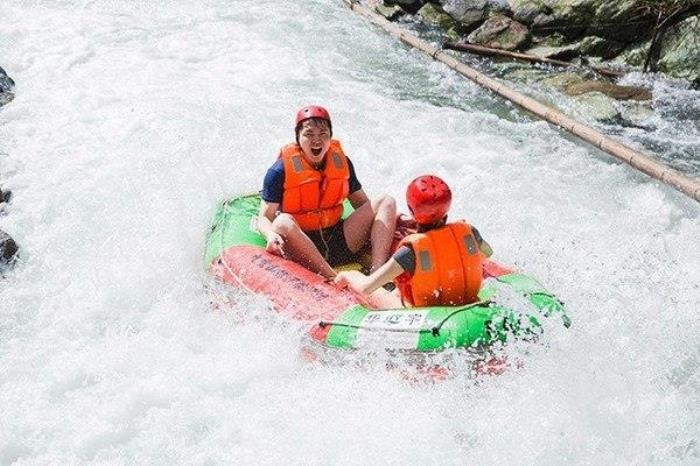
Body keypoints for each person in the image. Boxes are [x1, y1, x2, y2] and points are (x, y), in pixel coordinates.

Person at [257, 105, 397, 279]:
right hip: (301, 244)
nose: (317, 141)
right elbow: (264, 218)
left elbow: (362, 204)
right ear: (298, 137)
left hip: (338, 240)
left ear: (330, 137)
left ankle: (378, 273)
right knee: (281, 222)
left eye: (323, 134)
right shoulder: (279, 171)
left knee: (386, 201)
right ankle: (333, 279)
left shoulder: (342, 163)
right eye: (309, 134)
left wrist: (393, 220)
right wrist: (270, 235)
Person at [334, 175, 493, 307]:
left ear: (412, 210)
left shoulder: (412, 251)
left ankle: (347, 276)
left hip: (419, 311)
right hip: (464, 298)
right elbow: (487, 253)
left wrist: (347, 277)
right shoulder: (469, 232)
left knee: (354, 275)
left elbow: (367, 288)